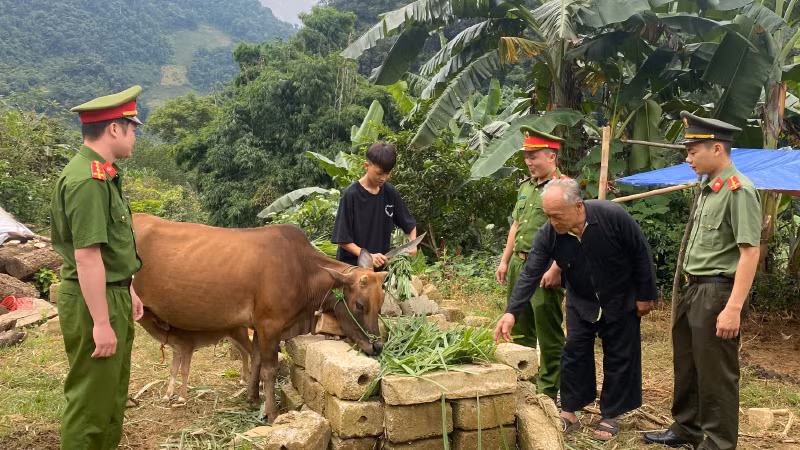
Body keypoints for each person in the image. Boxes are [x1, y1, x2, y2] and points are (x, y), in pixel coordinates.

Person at [494, 178, 658, 441]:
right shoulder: (549, 233)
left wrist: (645, 296)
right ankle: (570, 410)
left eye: (556, 215)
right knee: (575, 351)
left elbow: (641, 253)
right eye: (547, 215)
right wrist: (511, 312)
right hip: (580, 298)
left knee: (619, 353)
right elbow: (530, 272)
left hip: (620, 295)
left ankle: (610, 414)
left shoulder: (612, 216)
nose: (552, 221)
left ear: (578, 206)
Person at [644, 112, 761, 450]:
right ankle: (686, 429)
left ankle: (719, 442)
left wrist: (733, 308)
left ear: (718, 149)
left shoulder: (738, 190)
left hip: (717, 292)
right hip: (694, 288)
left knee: (716, 372)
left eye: (694, 151)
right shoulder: (709, 189)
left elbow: (750, 252)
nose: (688, 157)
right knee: (688, 362)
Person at [50, 86, 145, 449]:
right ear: (114, 129)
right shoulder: (88, 180)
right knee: (91, 401)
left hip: (111, 293)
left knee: (111, 396)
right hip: (94, 301)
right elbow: (87, 256)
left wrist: (129, 287)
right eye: (133, 127)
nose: (135, 135)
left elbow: (111, 248)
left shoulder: (104, 174)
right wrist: (102, 323)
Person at [495, 126, 566, 400]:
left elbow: (570, 231)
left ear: (551, 156)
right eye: (526, 156)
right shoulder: (525, 187)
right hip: (518, 264)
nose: (529, 161)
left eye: (534, 155)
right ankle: (524, 382)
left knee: (547, 332)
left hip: (545, 268)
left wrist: (556, 267)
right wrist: (504, 261)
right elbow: (516, 225)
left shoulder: (563, 189)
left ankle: (548, 391)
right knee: (519, 325)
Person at [332, 142, 417, 269]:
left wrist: (413, 244)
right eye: (379, 173)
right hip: (352, 271)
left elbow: (410, 224)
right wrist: (368, 256)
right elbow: (342, 239)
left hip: (378, 270)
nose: (383, 178)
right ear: (367, 166)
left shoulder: (390, 193)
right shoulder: (351, 195)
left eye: (387, 174)